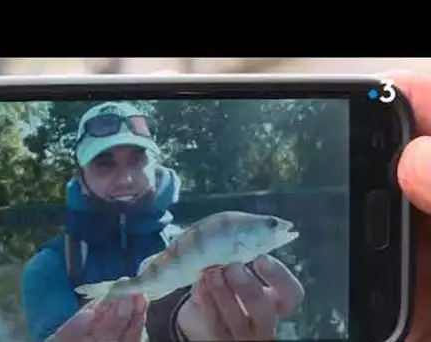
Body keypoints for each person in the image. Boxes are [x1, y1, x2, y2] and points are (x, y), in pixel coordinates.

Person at [19, 100, 304, 342]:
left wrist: (196, 330)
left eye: (137, 159)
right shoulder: (50, 267)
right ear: (80, 179)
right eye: (104, 163)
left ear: (155, 167)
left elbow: (194, 314)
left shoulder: (189, 241)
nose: (126, 179)